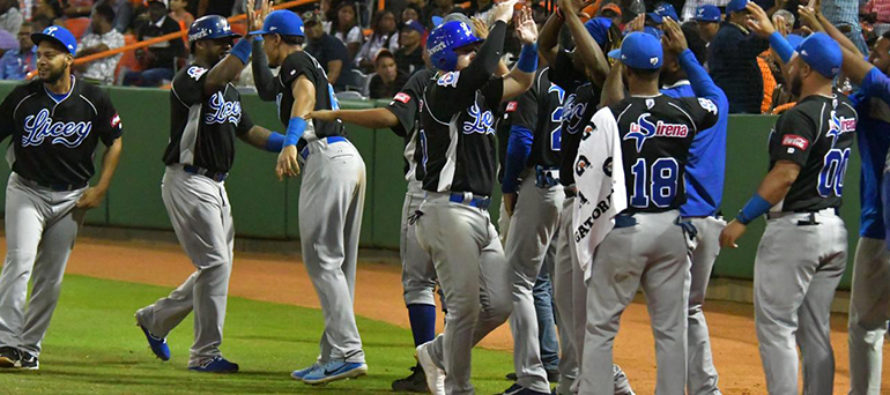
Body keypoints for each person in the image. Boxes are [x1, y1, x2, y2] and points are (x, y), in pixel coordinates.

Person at [134, 13, 285, 374]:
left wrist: (291, 142)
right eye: (220, 40)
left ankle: (156, 319)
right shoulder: (190, 77)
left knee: (216, 266)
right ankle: (204, 353)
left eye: (230, 40)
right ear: (199, 43)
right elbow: (215, 78)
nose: (227, 45)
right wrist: (252, 39)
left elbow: (248, 131)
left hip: (216, 185)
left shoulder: (228, 89)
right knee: (215, 264)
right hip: (188, 179)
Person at [719, 4, 855, 393]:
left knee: (777, 327)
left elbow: (785, 175)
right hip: (834, 232)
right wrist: (771, 35)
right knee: (814, 332)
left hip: (797, 232)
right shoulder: (844, 107)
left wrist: (743, 217)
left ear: (808, 71)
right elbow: (806, 63)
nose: (786, 67)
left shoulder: (799, 116)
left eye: (795, 64)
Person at [579, 26, 719, 393]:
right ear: (662, 68)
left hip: (626, 227)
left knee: (600, 327)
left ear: (625, 69)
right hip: (672, 229)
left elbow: (588, 180)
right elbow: (715, 102)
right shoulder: (688, 111)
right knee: (672, 330)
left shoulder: (612, 117)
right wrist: (685, 55)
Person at [412, 3, 538, 393]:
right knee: (464, 309)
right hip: (447, 208)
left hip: (478, 213)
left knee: (499, 303)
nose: (474, 54)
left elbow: (522, 82)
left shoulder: (477, 92)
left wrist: (529, 45)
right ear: (447, 55)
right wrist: (499, 20)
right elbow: (484, 68)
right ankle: (459, 389)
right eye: (468, 49)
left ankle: (436, 354)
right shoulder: (442, 86)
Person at [250, 4, 368, 385]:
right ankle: (335, 354)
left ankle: (348, 352)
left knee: (321, 259)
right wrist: (254, 37)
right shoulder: (296, 60)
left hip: (325, 156)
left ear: (277, 39)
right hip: (344, 157)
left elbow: (304, 94)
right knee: (336, 263)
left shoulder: (296, 60)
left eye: (266, 40)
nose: (266, 47)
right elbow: (269, 91)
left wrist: (290, 141)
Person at [0, 25, 123, 370]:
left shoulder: (93, 99)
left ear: (69, 59)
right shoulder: (23, 98)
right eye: (40, 54)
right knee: (19, 262)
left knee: (50, 278)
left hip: (72, 197)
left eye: (50, 54)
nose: (42, 60)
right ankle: (6, 342)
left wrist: (101, 188)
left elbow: (114, 140)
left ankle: (29, 349)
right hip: (26, 190)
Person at [798, 5, 890, 393]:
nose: (871, 55)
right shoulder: (871, 92)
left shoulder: (879, 87)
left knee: (867, 326)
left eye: (879, 51)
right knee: (866, 325)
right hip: (875, 225)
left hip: (878, 226)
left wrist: (819, 24)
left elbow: (854, 64)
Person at [659, 19, 729, 394]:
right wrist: (684, 51)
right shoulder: (718, 100)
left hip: (679, 224)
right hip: (709, 225)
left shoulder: (668, 105)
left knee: (671, 316)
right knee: (691, 311)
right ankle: (706, 388)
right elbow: (706, 86)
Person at [708, 0, 769, 113]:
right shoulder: (728, 33)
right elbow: (744, 51)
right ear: (732, 15)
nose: (749, 15)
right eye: (744, 12)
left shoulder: (736, 33)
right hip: (736, 103)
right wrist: (763, 35)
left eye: (750, 12)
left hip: (739, 103)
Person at [123, 0, 186, 87]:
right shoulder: (144, 26)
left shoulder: (172, 26)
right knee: (127, 75)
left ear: (164, 10)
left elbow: (179, 51)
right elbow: (139, 46)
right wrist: (140, 54)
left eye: (157, 9)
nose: (153, 12)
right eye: (151, 8)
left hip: (167, 68)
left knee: (148, 76)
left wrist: (156, 56)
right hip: (146, 67)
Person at [75, 4, 124, 85]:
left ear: (102, 18)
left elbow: (101, 50)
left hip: (102, 82)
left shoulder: (117, 37)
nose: (92, 21)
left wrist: (84, 54)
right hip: (82, 80)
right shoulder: (88, 38)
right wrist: (81, 59)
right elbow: (75, 56)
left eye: (94, 17)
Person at [303, 10, 351, 91]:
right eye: (308, 26)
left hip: (338, 90)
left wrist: (315, 91)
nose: (311, 29)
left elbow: (332, 76)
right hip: (318, 88)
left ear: (321, 25)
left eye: (314, 25)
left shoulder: (333, 44)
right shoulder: (308, 49)